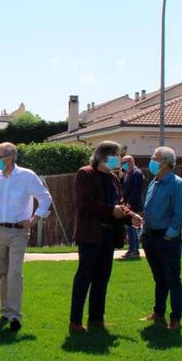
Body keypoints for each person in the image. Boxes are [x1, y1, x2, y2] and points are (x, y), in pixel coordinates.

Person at [68, 141, 142, 333]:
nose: (119, 159)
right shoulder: (85, 173)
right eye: (116, 155)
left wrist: (130, 216)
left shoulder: (114, 178)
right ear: (103, 156)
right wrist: (112, 211)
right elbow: (86, 204)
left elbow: (120, 204)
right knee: (84, 277)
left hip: (108, 235)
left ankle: (96, 319)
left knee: (102, 278)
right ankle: (75, 321)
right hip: (90, 235)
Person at [0, 142, 52, 332]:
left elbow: (45, 197)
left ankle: (15, 316)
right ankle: (5, 312)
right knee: (2, 273)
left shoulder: (27, 176)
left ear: (10, 158)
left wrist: (35, 218)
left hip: (18, 231)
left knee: (14, 273)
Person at [139, 146, 182, 331]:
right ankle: (158, 313)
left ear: (166, 162)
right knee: (159, 278)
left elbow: (180, 213)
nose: (151, 161)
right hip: (150, 237)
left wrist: (169, 235)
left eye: (155, 158)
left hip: (167, 239)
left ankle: (175, 318)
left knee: (172, 279)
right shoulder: (154, 182)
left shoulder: (176, 184)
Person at [120, 155, 145, 260]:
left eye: (124, 163)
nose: (123, 165)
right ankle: (131, 249)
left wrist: (129, 203)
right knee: (129, 229)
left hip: (134, 205)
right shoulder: (128, 174)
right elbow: (124, 188)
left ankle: (135, 251)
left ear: (130, 161)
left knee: (133, 228)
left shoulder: (137, 173)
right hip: (128, 205)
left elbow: (136, 191)